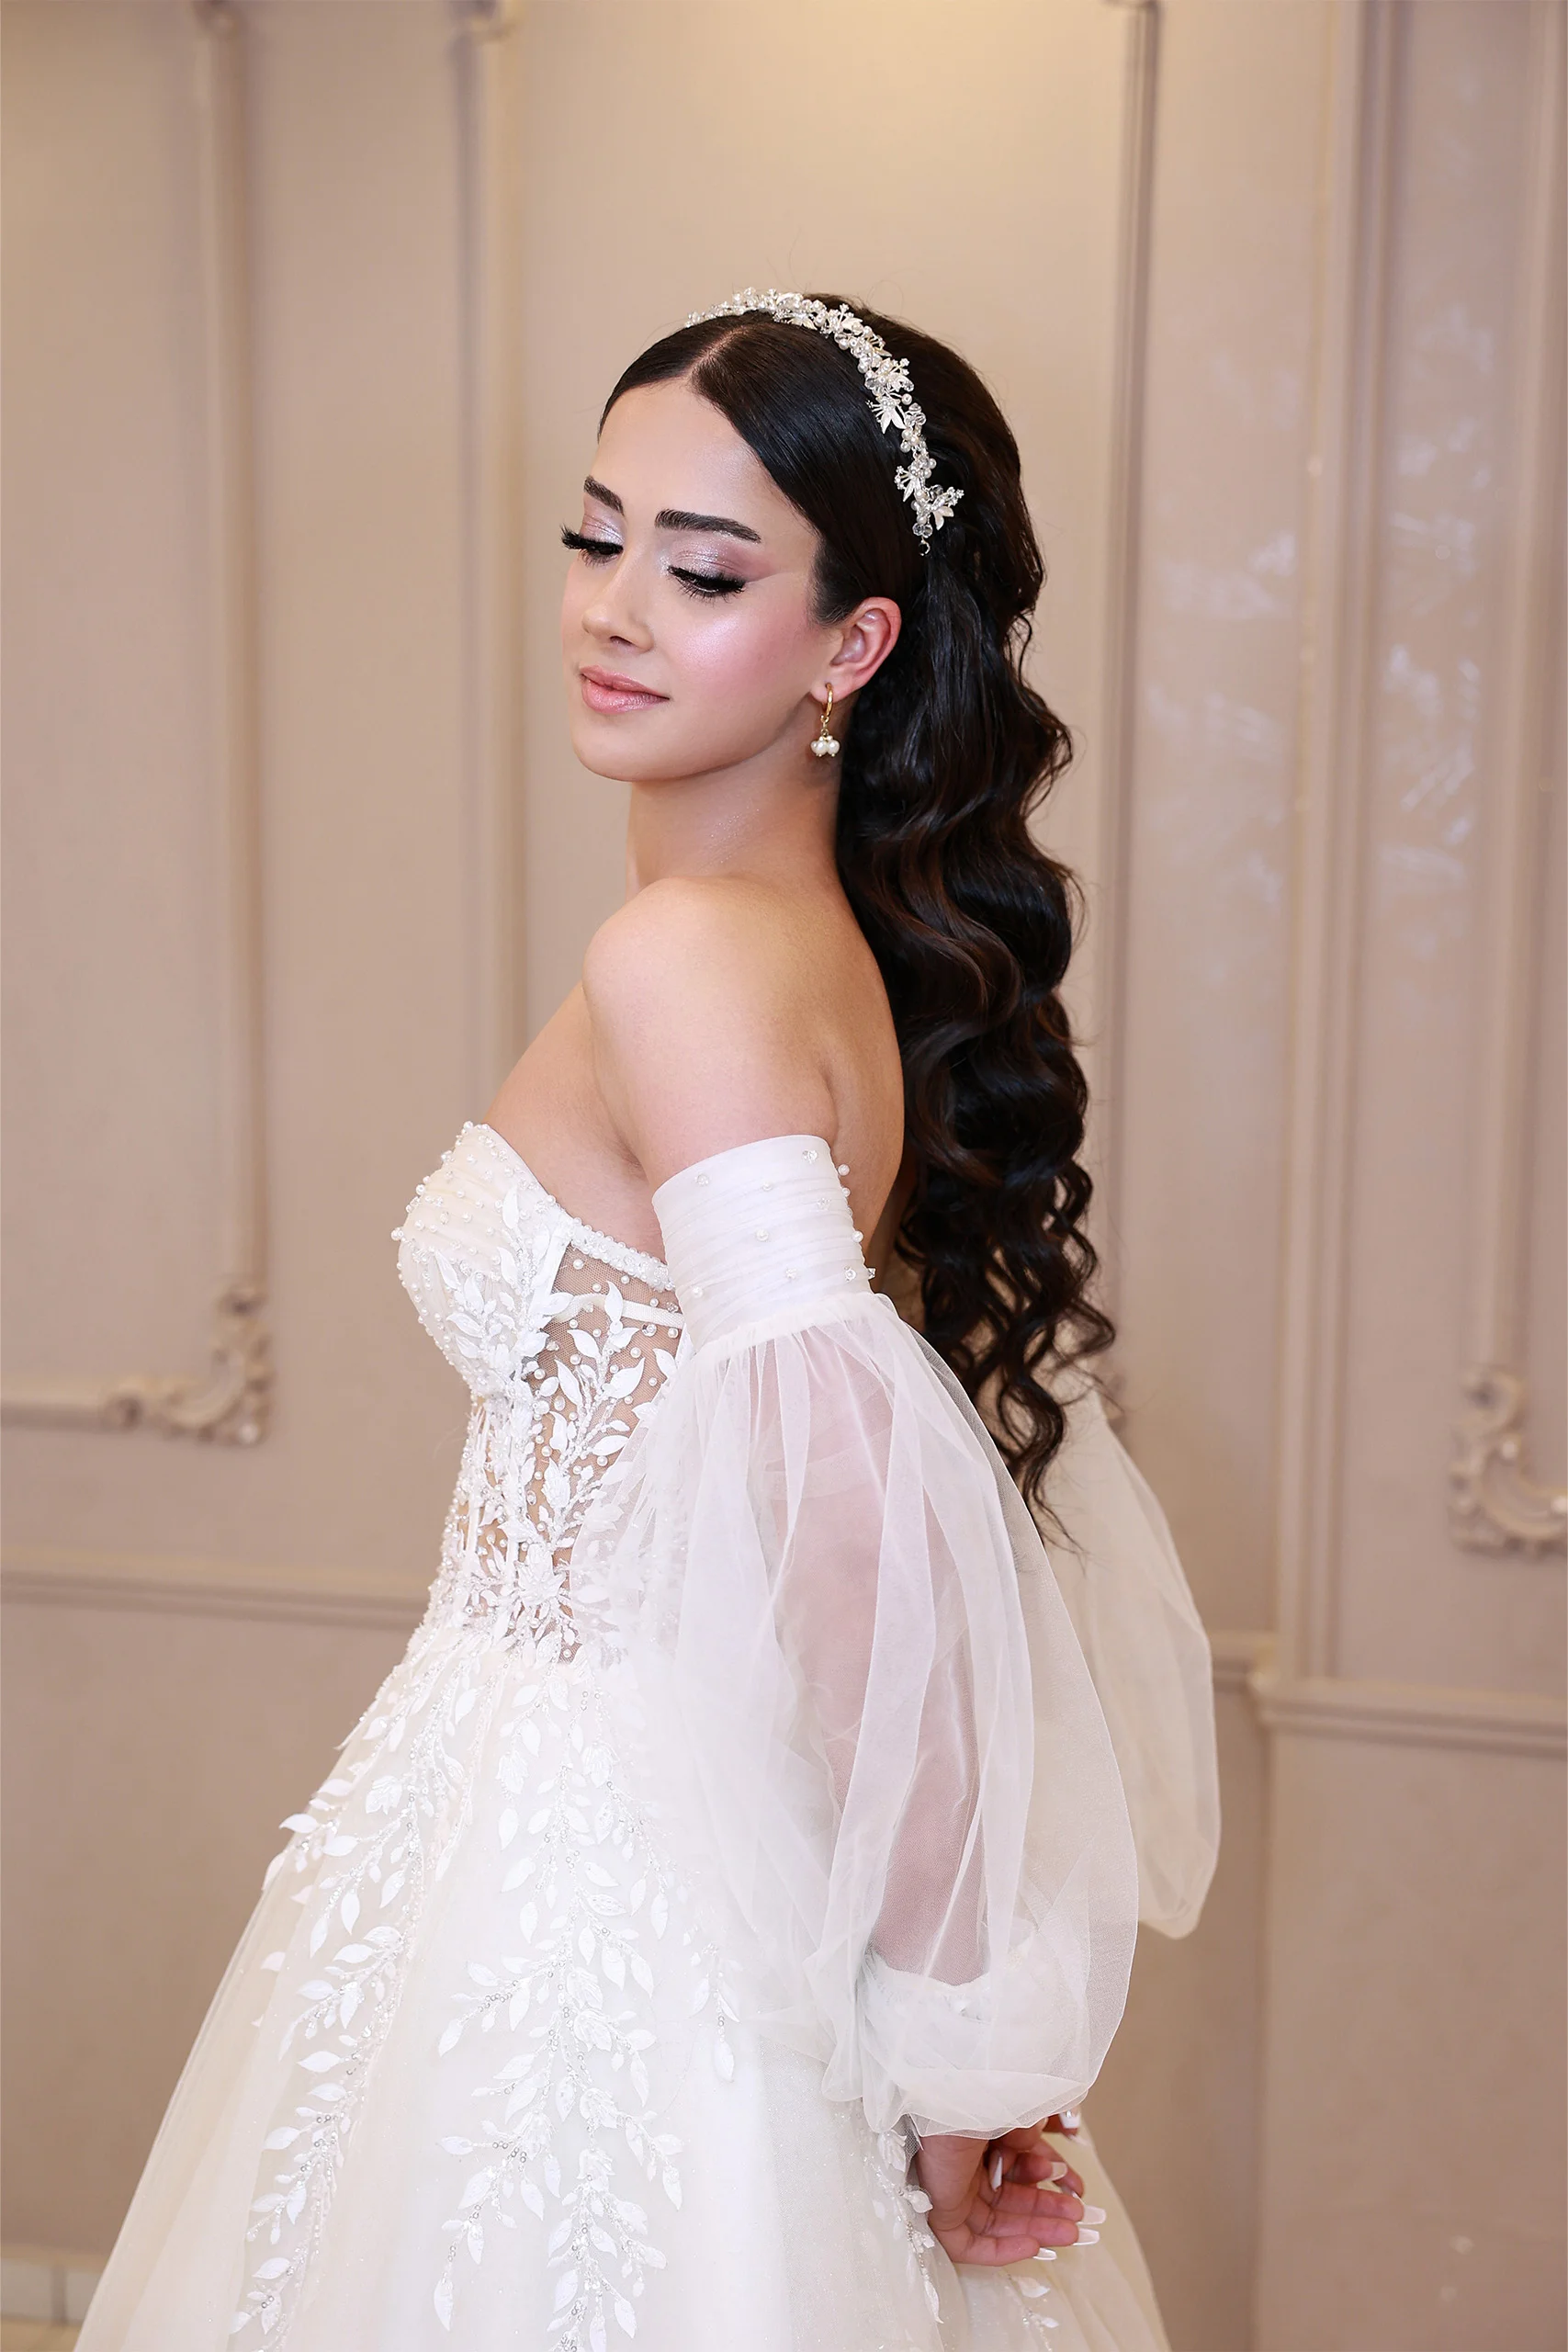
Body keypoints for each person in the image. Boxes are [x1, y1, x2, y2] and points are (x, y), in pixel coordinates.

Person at [78, 291, 1218, 2352]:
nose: (611, 607)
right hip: (634, 1818)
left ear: (852, 643)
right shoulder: (815, 945)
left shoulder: (688, 955)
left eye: (702, 570)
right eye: (594, 535)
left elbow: (859, 1522)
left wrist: (954, 2041)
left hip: (601, 1860)